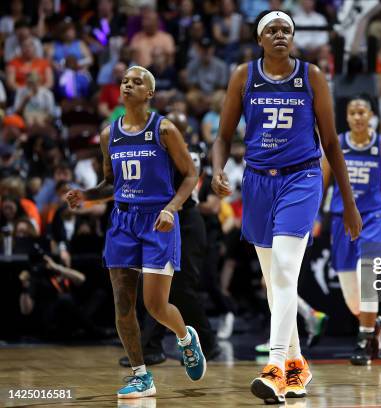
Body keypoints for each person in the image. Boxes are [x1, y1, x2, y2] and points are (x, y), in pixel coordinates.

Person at [211, 10, 362, 404]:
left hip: (302, 178)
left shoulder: (310, 76)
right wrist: (216, 170)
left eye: (287, 30)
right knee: (276, 281)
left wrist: (347, 203)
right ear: (260, 39)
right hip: (259, 182)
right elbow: (223, 137)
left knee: (282, 270)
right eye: (272, 30)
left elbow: (331, 142)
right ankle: (298, 365)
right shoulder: (244, 76)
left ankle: (275, 367)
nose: (280, 35)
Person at [64, 66, 206, 399]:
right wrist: (85, 196)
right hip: (123, 222)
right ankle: (141, 375)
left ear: (150, 93)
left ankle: (186, 338)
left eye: (137, 81)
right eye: (125, 81)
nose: (128, 85)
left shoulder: (164, 129)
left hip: (158, 220)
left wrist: (172, 208)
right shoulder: (107, 134)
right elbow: (111, 185)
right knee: (122, 305)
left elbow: (190, 175)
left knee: (155, 305)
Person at [117, 111, 220, 368]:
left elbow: (185, 179)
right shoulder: (156, 145)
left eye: (178, 127)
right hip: (158, 219)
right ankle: (153, 346)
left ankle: (206, 342)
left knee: (182, 287)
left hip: (184, 219)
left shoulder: (185, 150)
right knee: (155, 288)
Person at [322, 95, 381, 365]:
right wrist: (312, 218)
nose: (358, 117)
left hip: (373, 217)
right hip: (342, 220)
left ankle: (364, 338)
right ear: (346, 117)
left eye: (362, 112)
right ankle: (374, 323)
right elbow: (321, 185)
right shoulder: (334, 145)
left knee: (366, 272)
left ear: (371, 116)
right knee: (353, 302)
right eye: (352, 112)